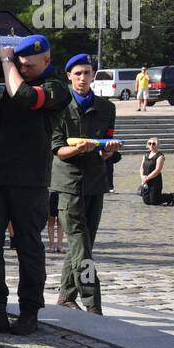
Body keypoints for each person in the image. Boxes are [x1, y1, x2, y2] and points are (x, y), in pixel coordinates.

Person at [0, 34, 70, 337]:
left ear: (46, 61)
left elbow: (26, 96)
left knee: (27, 246)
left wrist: (7, 60)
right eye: (20, 64)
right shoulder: (15, 83)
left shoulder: (55, 88)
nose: (21, 69)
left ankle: (28, 311)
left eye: (28, 64)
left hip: (29, 180)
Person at [51, 54, 119, 315]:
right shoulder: (60, 107)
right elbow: (56, 149)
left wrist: (108, 151)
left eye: (87, 73)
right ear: (68, 76)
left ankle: (66, 296)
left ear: (93, 75)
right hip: (68, 185)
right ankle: (93, 301)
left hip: (95, 183)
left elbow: (108, 147)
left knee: (83, 245)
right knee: (82, 246)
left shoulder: (106, 108)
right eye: (77, 73)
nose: (82, 78)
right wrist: (79, 149)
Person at [139, 138, 174, 205]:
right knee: (146, 201)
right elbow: (142, 167)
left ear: (158, 145)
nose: (151, 145)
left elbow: (157, 170)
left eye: (154, 144)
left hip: (155, 180)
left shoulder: (160, 156)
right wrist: (142, 177)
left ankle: (171, 197)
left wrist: (147, 178)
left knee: (154, 201)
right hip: (145, 179)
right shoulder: (146, 155)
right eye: (150, 143)